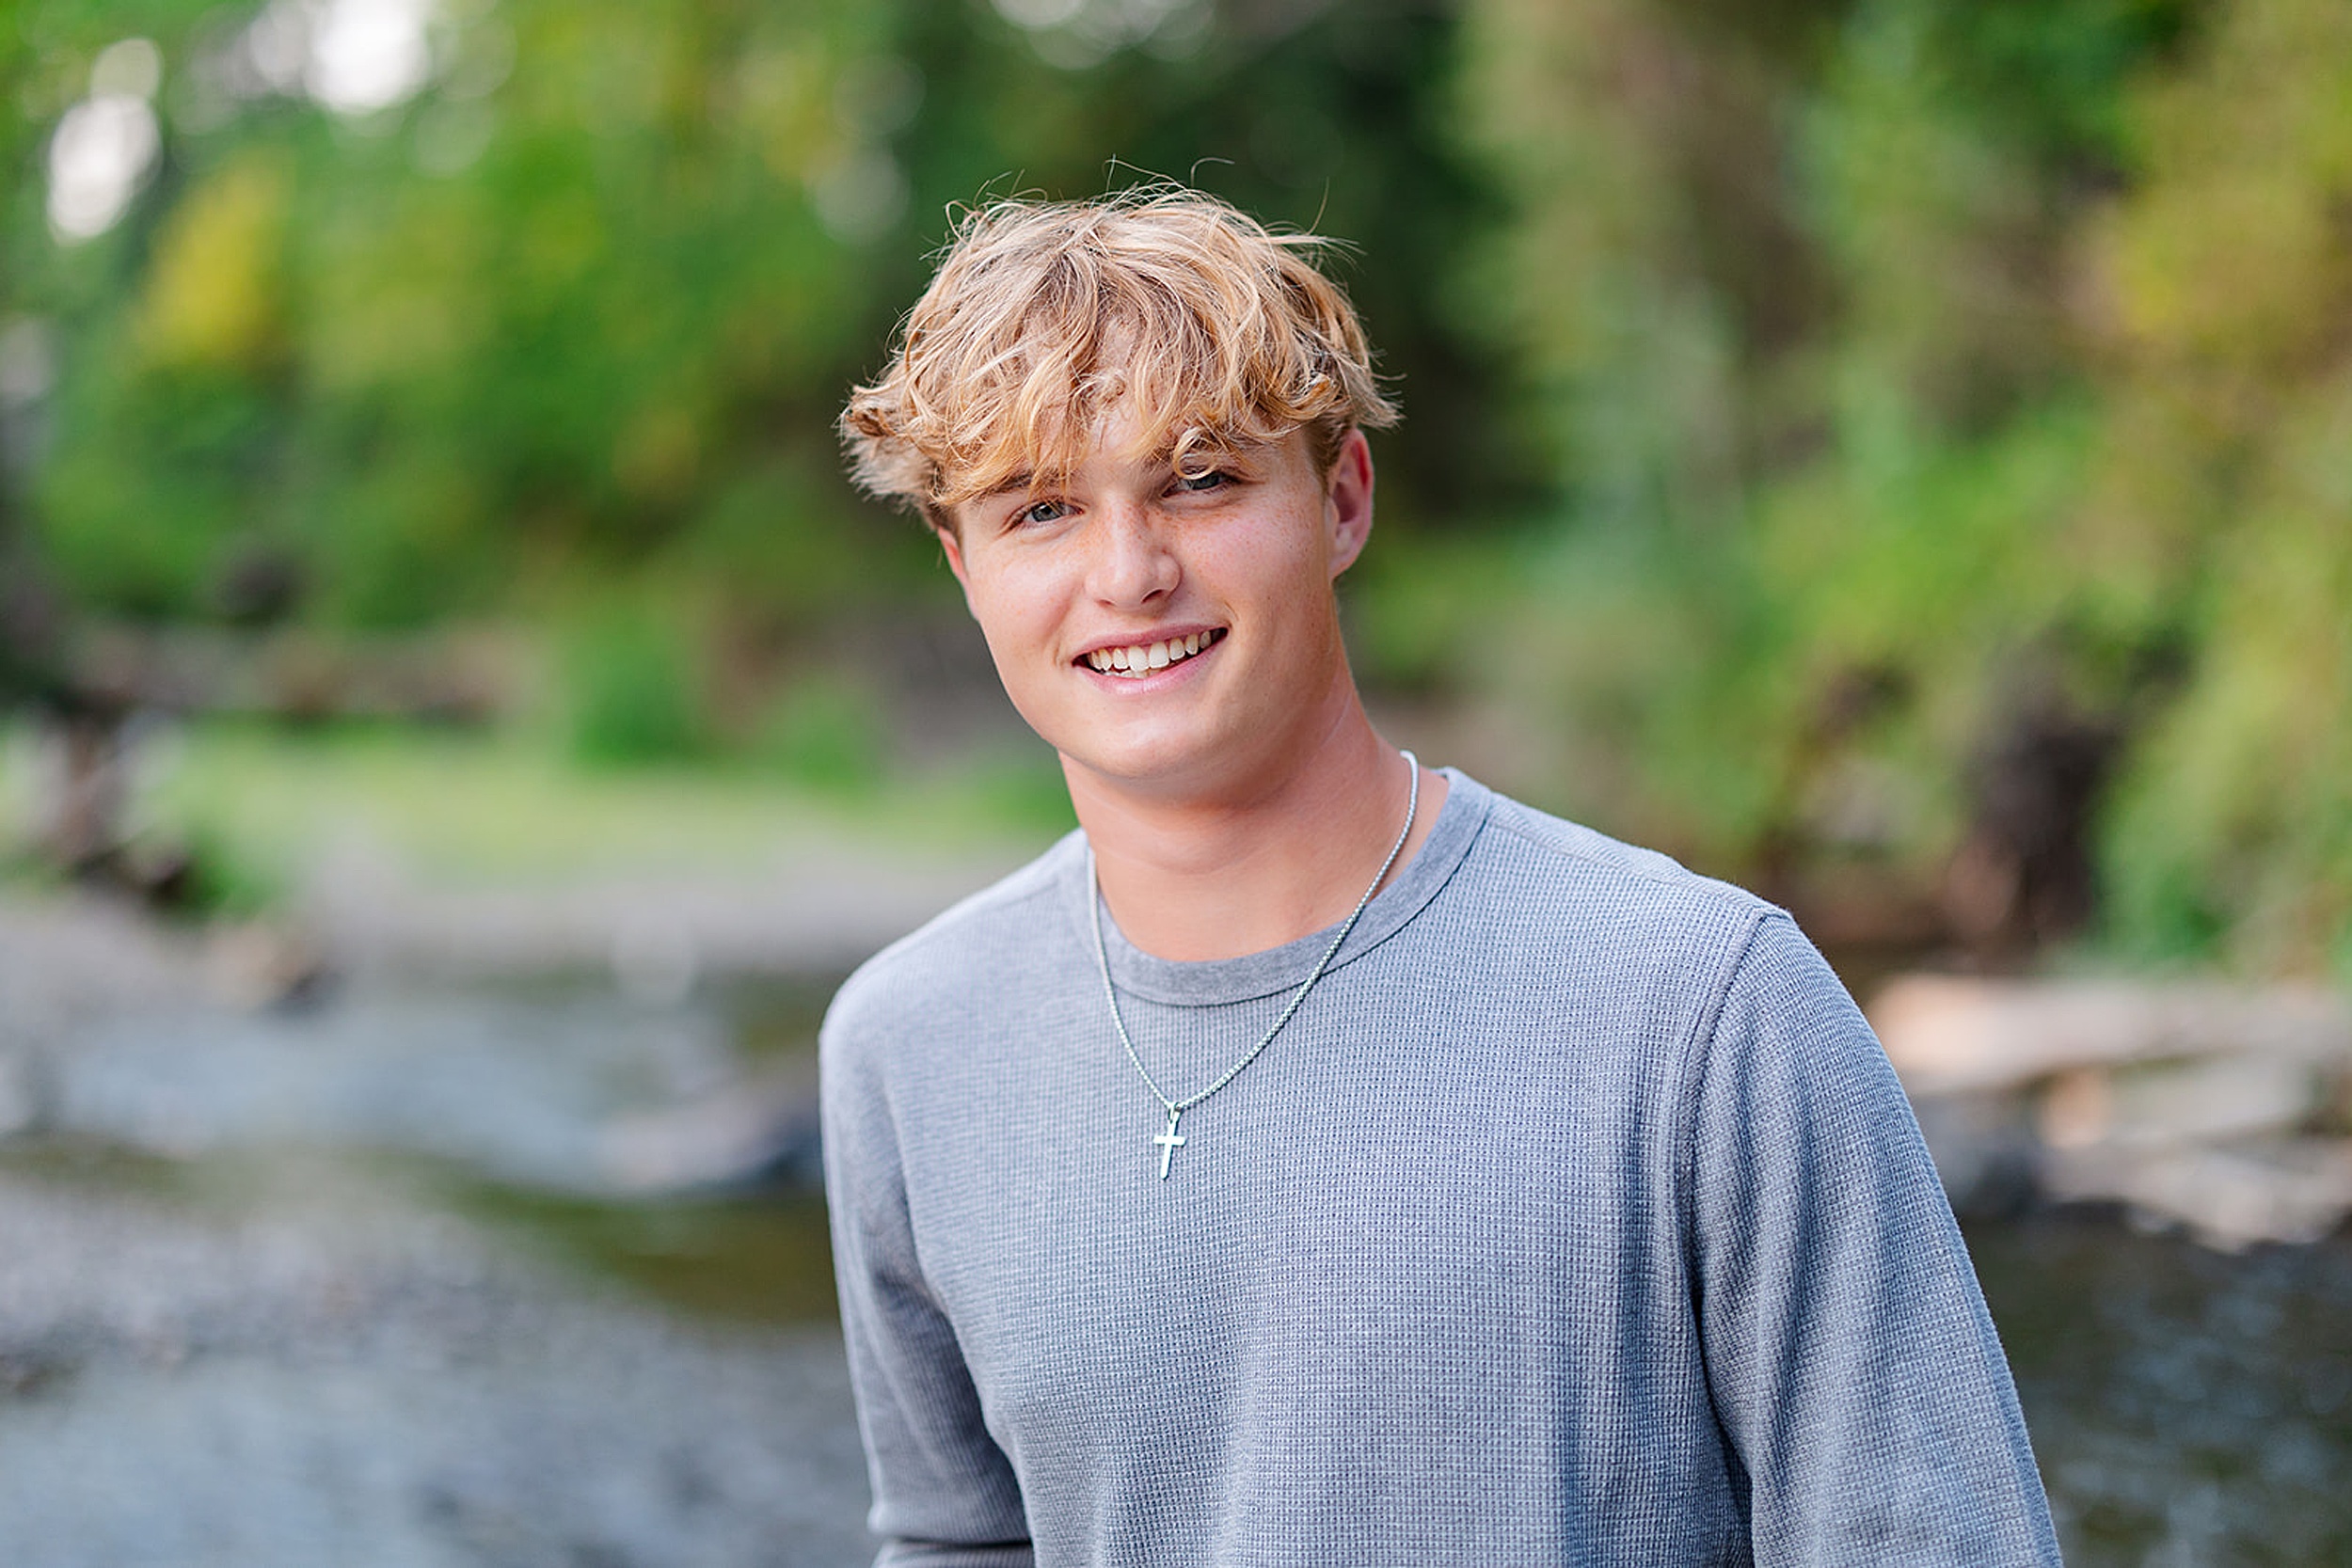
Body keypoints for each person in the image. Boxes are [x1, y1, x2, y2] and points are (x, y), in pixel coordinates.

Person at [822, 186, 2059, 1567]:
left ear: (1340, 500)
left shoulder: (1707, 1006)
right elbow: (954, 1544)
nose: (1129, 572)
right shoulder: (907, 1044)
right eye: (1042, 509)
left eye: (1202, 477)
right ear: (964, 566)